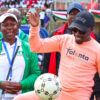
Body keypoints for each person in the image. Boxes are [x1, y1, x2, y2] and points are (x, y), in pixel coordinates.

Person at [14, 10, 100, 100]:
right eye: (74, 30)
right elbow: (36, 47)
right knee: (19, 99)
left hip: (79, 97)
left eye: (82, 31)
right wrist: (34, 27)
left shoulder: (97, 49)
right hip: (57, 92)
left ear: (91, 29)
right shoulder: (65, 40)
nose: (77, 34)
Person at [0, 12, 41, 100]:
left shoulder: (28, 47)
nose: (9, 28)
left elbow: (36, 73)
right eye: (5, 25)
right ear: (0, 28)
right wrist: (0, 84)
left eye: (13, 24)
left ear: (18, 26)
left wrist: (21, 85)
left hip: (22, 97)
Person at [41, 3, 84, 75]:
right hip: (58, 78)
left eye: (78, 14)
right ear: (66, 16)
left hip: (81, 79)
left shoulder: (91, 36)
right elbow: (46, 59)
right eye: (72, 14)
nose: (75, 17)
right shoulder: (55, 34)